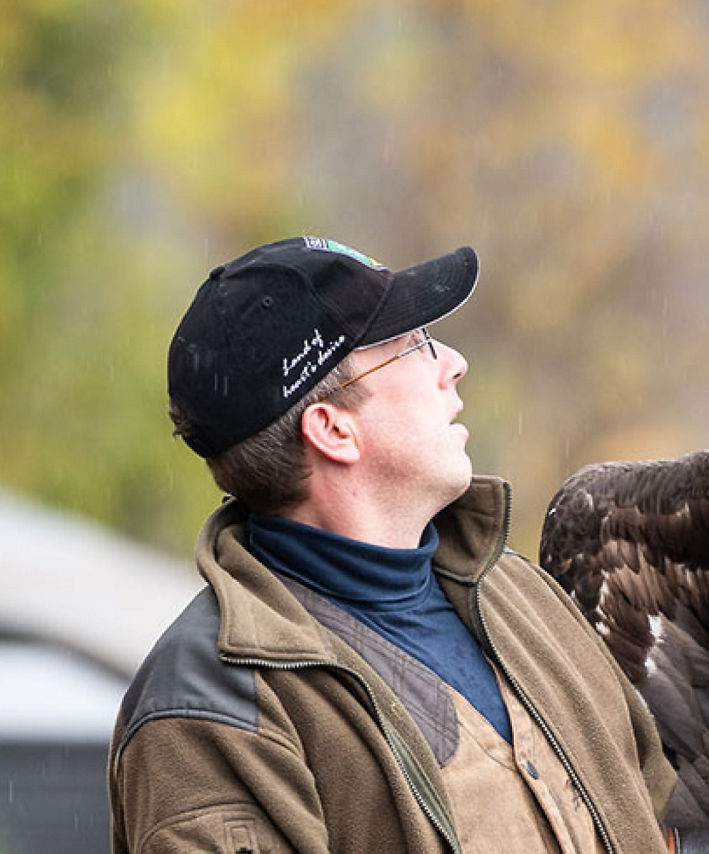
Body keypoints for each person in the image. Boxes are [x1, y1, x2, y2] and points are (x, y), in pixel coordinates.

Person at [107, 237, 678, 853]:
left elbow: (666, 821)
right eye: (413, 345)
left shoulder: (524, 599)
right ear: (333, 430)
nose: (453, 362)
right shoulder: (207, 714)